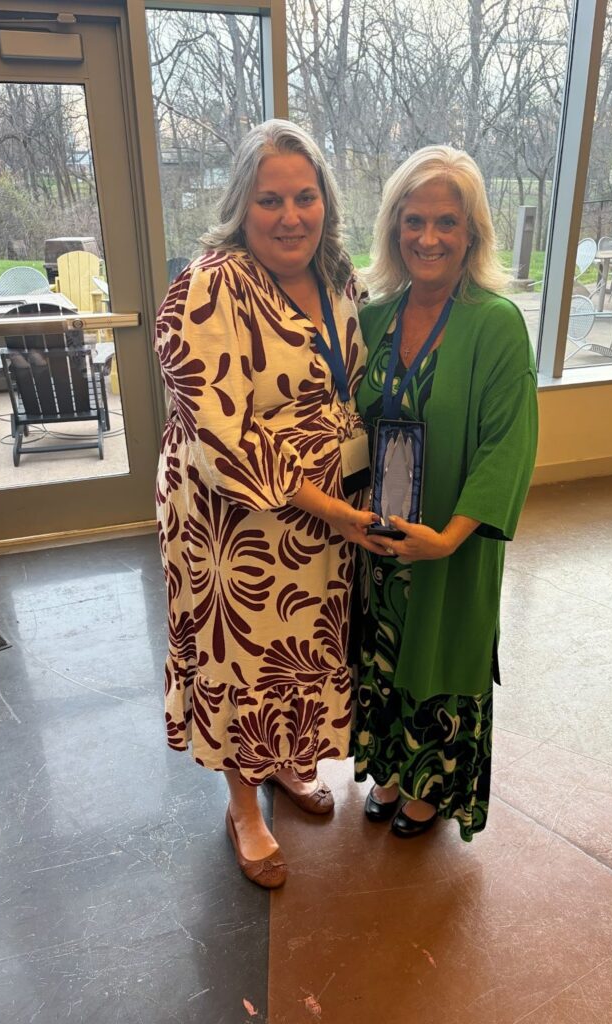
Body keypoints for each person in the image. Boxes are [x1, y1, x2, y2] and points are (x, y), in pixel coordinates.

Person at [154, 120, 380, 888]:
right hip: (237, 527)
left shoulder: (338, 276)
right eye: (271, 200)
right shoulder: (211, 286)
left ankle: (286, 765)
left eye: (306, 196)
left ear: (327, 202)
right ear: (241, 208)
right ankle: (243, 808)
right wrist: (330, 505)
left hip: (320, 529)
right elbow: (220, 428)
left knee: (301, 655)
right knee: (242, 662)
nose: (291, 216)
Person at [352, 145, 538, 840]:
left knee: (439, 652)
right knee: (383, 651)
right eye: (414, 220)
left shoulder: (495, 324)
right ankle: (391, 771)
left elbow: (507, 444)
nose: (428, 237)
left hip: (449, 541)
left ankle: (430, 784)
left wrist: (452, 536)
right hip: (378, 535)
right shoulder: (373, 320)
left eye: (446, 222)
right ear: (395, 229)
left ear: (472, 234)